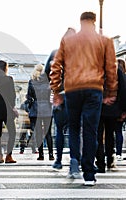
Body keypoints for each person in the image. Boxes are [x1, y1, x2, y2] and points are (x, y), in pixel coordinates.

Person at [50, 11, 118, 186]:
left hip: (73, 88)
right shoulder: (105, 41)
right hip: (94, 88)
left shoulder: (68, 41)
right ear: (94, 22)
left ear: (80, 22)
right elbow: (111, 68)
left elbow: (55, 67)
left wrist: (57, 91)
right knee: (90, 130)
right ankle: (89, 173)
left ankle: (74, 160)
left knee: (73, 127)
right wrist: (111, 92)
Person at [45, 27, 76, 170]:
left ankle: (58, 160)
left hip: (60, 95)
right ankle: (76, 159)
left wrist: (55, 89)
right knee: (76, 129)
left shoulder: (55, 53)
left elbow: (47, 73)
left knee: (59, 130)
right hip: (75, 94)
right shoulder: (79, 53)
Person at [27, 64, 54, 161]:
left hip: (36, 109)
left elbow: (29, 97)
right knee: (48, 133)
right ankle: (51, 154)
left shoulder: (32, 82)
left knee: (38, 133)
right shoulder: (48, 82)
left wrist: (30, 106)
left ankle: (41, 155)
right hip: (47, 108)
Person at [115, 58, 126, 161]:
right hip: (123, 109)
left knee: (118, 131)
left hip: (119, 109)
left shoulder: (117, 80)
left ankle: (118, 153)